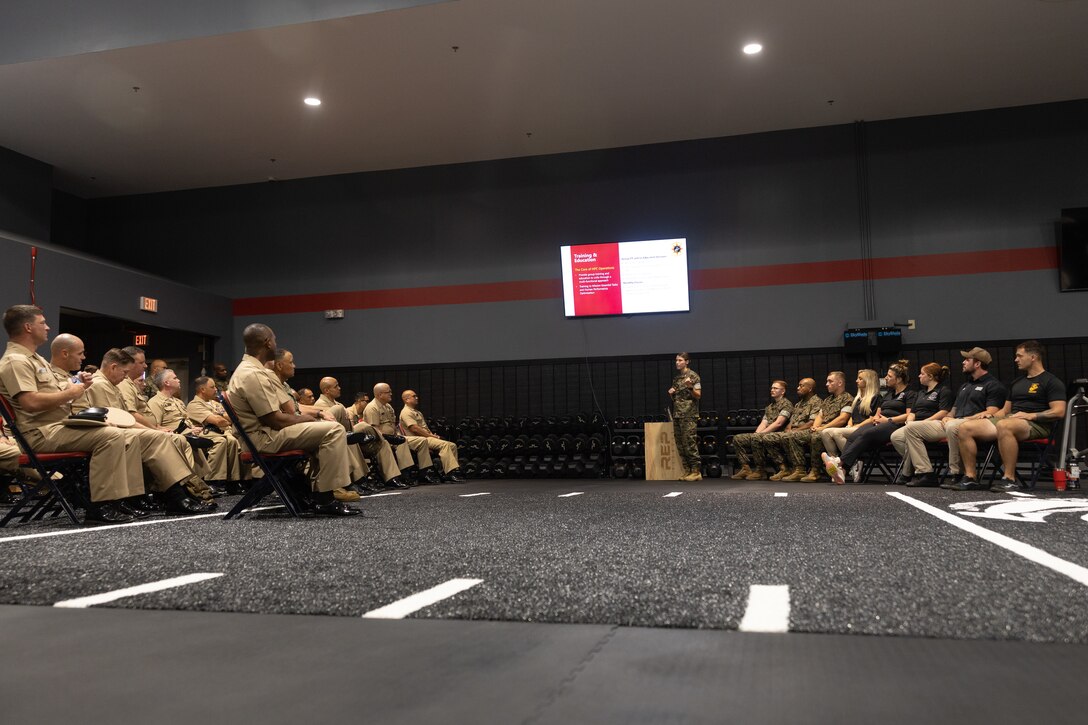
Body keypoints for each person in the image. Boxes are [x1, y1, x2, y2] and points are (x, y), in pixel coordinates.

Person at [227, 323, 358, 516]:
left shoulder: (251, 370)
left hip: (267, 433)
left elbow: (283, 411)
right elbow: (276, 420)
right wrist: (310, 421)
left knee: (326, 428)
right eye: (274, 340)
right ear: (267, 343)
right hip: (264, 438)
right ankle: (325, 498)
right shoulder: (252, 374)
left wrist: (309, 420)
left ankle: (313, 490)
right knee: (333, 430)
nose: (275, 343)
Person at [73, 347, 214, 512]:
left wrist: (155, 429)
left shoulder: (111, 385)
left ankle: (178, 492)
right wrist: (154, 430)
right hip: (111, 433)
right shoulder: (100, 385)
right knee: (162, 439)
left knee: (167, 438)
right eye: (124, 372)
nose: (126, 376)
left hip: (120, 432)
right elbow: (117, 418)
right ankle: (175, 495)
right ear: (113, 367)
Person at [954, 340, 1067, 492]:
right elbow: (1004, 411)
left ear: (1033, 357)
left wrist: (1030, 415)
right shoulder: (1017, 383)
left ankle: (1009, 479)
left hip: (1037, 425)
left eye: (1019, 356)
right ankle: (970, 477)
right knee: (965, 428)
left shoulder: (1052, 382)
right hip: (1011, 420)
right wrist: (990, 414)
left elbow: (1059, 411)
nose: (1016, 360)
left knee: (1004, 425)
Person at [897, 347, 1007, 488]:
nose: (963, 362)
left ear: (977, 363)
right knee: (911, 428)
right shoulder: (965, 386)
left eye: (967, 360)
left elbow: (991, 412)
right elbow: (954, 409)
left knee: (953, 426)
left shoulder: (992, 385)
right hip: (952, 423)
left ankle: (958, 474)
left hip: (973, 426)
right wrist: (948, 416)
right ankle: (926, 473)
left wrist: (962, 420)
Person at [149, 369, 245, 491]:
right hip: (174, 436)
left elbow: (186, 420)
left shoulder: (178, 401)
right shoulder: (155, 402)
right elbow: (155, 426)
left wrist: (192, 428)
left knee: (230, 440)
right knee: (220, 441)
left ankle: (210, 483)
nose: (178, 380)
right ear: (166, 383)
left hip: (191, 433)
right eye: (175, 378)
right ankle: (210, 481)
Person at [823, 361, 917, 484]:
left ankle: (840, 462)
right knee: (853, 435)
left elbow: (909, 415)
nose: (886, 378)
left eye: (889, 376)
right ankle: (842, 471)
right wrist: (877, 419)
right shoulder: (888, 394)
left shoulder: (910, 394)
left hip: (894, 425)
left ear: (899, 379)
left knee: (867, 434)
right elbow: (878, 412)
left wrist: (888, 419)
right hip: (880, 423)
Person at [778, 372, 852, 482]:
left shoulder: (847, 398)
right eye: (827, 381)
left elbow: (842, 419)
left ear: (840, 383)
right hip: (821, 429)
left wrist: (823, 428)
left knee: (816, 437)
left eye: (830, 381)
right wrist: (816, 426)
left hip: (831, 431)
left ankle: (815, 471)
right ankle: (799, 469)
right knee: (792, 436)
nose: (827, 384)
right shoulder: (827, 400)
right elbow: (820, 415)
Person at [363, 383, 442, 484]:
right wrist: (391, 438)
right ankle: (405, 474)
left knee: (422, 441)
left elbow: (393, 425)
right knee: (402, 442)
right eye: (388, 392)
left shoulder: (388, 407)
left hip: (394, 436)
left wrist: (397, 435)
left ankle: (424, 473)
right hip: (381, 440)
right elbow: (374, 429)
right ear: (379, 395)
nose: (391, 394)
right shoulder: (372, 408)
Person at [893, 363, 953, 485]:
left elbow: (944, 411)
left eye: (922, 374)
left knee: (911, 429)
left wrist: (926, 421)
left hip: (935, 424)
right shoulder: (920, 393)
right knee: (896, 437)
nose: (919, 376)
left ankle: (923, 472)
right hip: (915, 425)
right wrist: (909, 420)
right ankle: (914, 466)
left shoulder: (943, 390)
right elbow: (912, 412)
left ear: (930, 377)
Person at [757, 378, 821, 481]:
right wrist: (789, 428)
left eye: (801, 386)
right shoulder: (798, 404)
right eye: (798, 385)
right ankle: (784, 468)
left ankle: (800, 470)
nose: (798, 388)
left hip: (807, 431)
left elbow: (812, 422)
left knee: (791, 435)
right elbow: (791, 422)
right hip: (794, 432)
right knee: (767, 438)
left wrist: (795, 430)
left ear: (810, 389)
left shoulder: (816, 402)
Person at [730, 380, 793, 480]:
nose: (772, 390)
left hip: (779, 434)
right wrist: (757, 433)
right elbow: (764, 422)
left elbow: (779, 423)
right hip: (765, 434)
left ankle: (762, 470)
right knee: (738, 438)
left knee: (758, 438)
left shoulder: (787, 404)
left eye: (775, 388)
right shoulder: (770, 407)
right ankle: (745, 468)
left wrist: (761, 434)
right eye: (772, 388)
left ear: (783, 391)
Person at [400, 389, 466, 482]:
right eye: (414, 396)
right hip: (419, 439)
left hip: (426, 437)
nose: (416, 398)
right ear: (406, 399)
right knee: (445, 445)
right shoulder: (406, 412)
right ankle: (450, 473)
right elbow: (414, 429)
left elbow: (423, 428)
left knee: (452, 445)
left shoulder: (417, 412)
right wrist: (431, 436)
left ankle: (449, 471)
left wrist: (431, 434)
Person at [820, 369, 881, 463]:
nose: (857, 381)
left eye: (860, 379)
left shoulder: (876, 397)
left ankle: (852, 462)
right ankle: (833, 462)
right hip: (854, 427)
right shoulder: (858, 398)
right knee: (825, 432)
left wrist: (857, 426)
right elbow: (852, 416)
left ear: (868, 381)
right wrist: (849, 424)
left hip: (865, 428)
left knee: (837, 433)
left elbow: (872, 418)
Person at [668, 352, 702, 481]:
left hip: (689, 414)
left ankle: (696, 471)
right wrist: (671, 394)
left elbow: (698, 395)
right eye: (676, 360)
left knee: (689, 443)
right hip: (678, 414)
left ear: (687, 362)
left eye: (680, 360)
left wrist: (690, 387)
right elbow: (677, 398)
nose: (677, 362)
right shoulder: (677, 379)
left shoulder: (693, 376)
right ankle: (687, 471)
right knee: (680, 444)